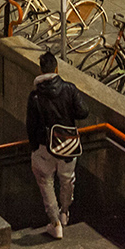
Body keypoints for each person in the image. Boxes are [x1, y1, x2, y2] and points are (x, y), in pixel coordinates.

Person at [24, 50, 89, 238]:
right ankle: (65, 212)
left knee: (46, 183)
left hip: (45, 147)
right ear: (56, 68)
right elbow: (83, 112)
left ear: (41, 70)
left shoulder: (35, 97)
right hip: (68, 145)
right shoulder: (69, 89)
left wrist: (34, 147)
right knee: (67, 179)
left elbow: (31, 125)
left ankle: (55, 223)